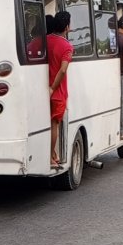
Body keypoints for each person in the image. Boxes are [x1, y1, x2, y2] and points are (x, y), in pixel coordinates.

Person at [46, 11, 73, 168]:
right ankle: (50, 156)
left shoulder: (43, 41)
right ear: (67, 26)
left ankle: (52, 154)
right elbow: (62, 70)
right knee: (54, 124)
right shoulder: (66, 46)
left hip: (40, 89)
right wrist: (53, 88)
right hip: (57, 92)